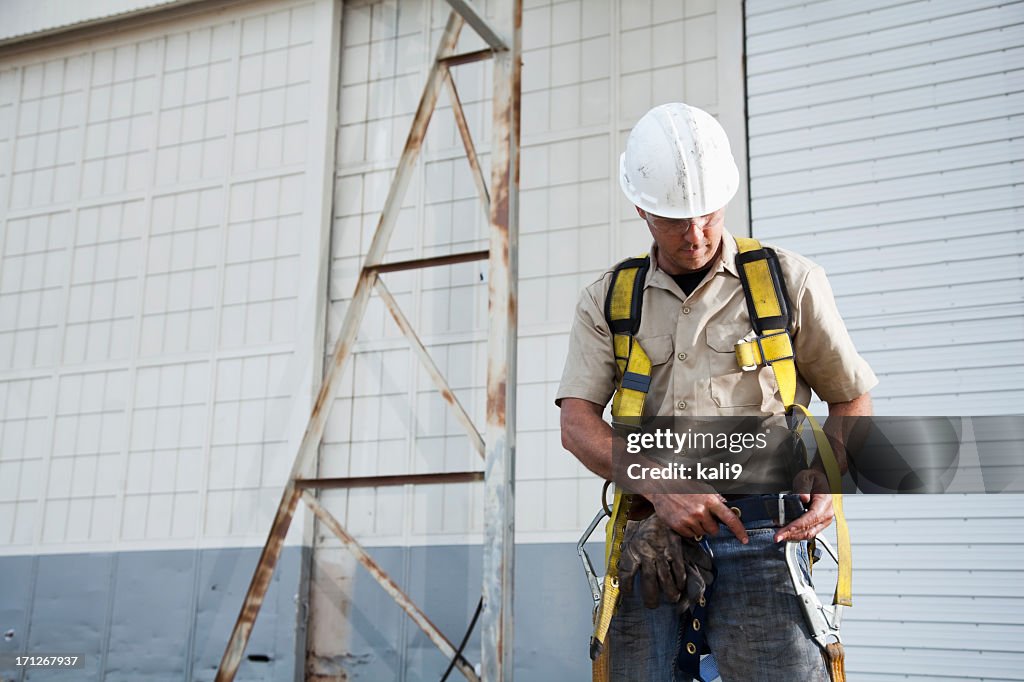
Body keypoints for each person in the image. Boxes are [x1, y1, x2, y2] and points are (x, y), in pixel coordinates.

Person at [555, 103, 877, 681]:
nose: (696, 234)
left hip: (765, 536)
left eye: (708, 214)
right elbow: (577, 425)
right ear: (642, 209)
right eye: (675, 220)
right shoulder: (608, 300)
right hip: (651, 538)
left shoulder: (789, 282)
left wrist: (832, 476)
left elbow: (850, 398)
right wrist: (663, 489)